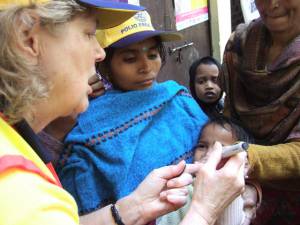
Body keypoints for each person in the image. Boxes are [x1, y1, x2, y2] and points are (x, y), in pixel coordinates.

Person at [0, 1, 246, 225]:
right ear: (29, 39)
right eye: (88, 34)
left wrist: (128, 211)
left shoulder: (12, 145)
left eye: (152, 55)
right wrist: (204, 211)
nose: (99, 53)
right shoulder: (21, 195)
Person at [57, 10, 209, 216]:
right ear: (105, 66)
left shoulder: (178, 98)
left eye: (153, 55)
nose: (146, 67)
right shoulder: (89, 119)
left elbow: (213, 145)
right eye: (130, 58)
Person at [220, 0, 300, 224]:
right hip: (241, 191)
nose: (271, 4)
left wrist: (245, 157)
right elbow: (230, 119)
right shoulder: (239, 44)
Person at [157, 116, 260, 225]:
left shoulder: (235, 194)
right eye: (202, 146)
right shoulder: (182, 180)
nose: (208, 154)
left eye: (222, 148)